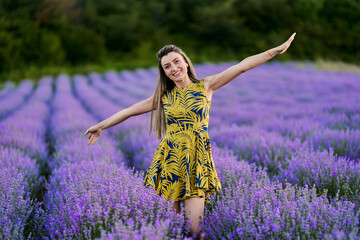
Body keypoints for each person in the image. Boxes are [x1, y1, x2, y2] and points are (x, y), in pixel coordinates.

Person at [84, 32, 296, 239]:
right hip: (168, 162)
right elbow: (129, 110)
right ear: (164, 72)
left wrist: (274, 52)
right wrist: (100, 126)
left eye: (176, 62)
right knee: (174, 229)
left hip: (196, 161)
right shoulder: (164, 97)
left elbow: (241, 67)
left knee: (195, 230)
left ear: (185, 62)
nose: (173, 68)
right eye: (167, 66)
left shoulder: (205, 86)